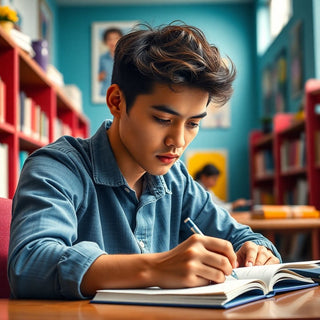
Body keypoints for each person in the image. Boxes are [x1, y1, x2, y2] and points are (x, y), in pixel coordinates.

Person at [8, 23, 281, 300]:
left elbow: (241, 237)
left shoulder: (177, 180)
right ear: (116, 102)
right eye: (163, 120)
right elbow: (29, 264)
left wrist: (255, 249)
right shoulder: (56, 167)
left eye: (193, 123)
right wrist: (155, 269)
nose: (178, 141)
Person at [98, 27, 123, 97]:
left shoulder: (126, 58)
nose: (113, 42)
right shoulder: (101, 59)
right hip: (105, 94)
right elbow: (96, 78)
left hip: (122, 94)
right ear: (106, 41)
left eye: (116, 38)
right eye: (109, 39)